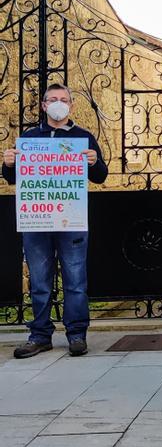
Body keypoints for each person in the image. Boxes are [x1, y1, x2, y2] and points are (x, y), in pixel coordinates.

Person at [3, 84, 108, 359]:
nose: (58, 103)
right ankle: (39, 335)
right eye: (53, 99)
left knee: (75, 279)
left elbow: (100, 176)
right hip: (37, 221)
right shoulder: (29, 138)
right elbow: (12, 179)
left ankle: (76, 334)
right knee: (39, 280)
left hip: (71, 221)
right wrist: (9, 163)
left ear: (71, 106)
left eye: (63, 100)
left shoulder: (83, 138)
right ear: (43, 105)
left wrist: (94, 161)